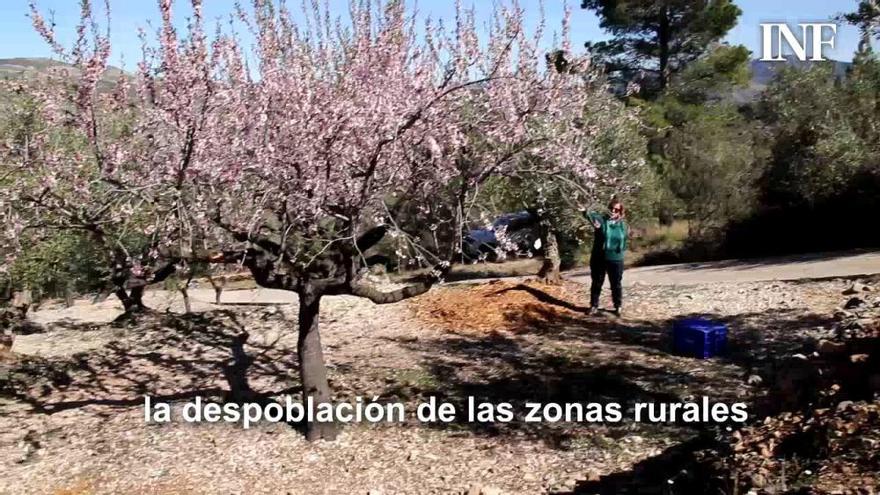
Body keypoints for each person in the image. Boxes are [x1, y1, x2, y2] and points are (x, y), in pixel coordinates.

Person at [584, 198, 628, 317]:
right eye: (611, 209)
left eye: (617, 209)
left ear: (620, 211)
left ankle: (618, 306)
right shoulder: (601, 220)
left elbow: (624, 241)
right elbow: (587, 213)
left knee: (616, 284)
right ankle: (594, 305)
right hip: (599, 257)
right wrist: (588, 205)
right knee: (597, 282)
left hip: (616, 258)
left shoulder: (623, 225)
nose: (613, 211)